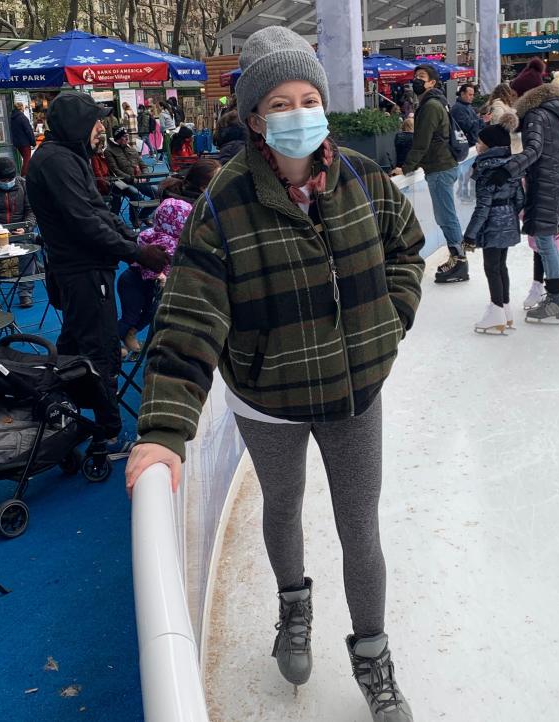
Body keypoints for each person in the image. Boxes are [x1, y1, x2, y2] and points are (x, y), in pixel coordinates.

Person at [125, 26, 422, 721]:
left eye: (309, 97)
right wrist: (164, 431)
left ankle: (373, 654)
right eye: (280, 102)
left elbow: (407, 247)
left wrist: (389, 318)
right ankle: (294, 608)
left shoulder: (361, 177)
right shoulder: (222, 207)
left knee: (360, 527)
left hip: (354, 393)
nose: (298, 113)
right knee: (282, 508)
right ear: (256, 118)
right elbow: (190, 319)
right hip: (270, 398)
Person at [26, 92, 168, 452]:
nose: (101, 127)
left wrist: (132, 242)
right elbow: (84, 220)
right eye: (95, 120)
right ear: (77, 125)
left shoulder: (68, 156)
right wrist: (135, 251)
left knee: (74, 346)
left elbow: (96, 210)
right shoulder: (57, 161)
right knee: (99, 350)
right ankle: (106, 431)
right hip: (82, 271)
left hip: (83, 269)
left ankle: (64, 413)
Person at [488, 64, 559, 323]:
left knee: (545, 243)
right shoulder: (558, 113)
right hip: (558, 183)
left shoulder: (537, 115)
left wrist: (507, 170)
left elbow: (534, 149)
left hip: (545, 184)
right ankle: (556, 296)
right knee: (547, 243)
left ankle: (557, 299)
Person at [117, 160, 221, 356]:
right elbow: (154, 258)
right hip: (137, 281)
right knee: (131, 315)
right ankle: (112, 344)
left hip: (144, 281)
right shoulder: (173, 234)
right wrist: (162, 274)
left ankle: (130, 334)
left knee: (149, 313)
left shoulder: (175, 211)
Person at [392, 63, 465, 284]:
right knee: (445, 215)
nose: (416, 80)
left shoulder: (431, 106)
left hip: (440, 167)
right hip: (443, 165)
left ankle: (459, 261)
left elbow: (421, 142)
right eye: (415, 76)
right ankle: (458, 258)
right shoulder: (436, 103)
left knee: (446, 216)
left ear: (432, 82)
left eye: (421, 77)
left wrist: (405, 168)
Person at [463, 124, 524, 333]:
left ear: (489, 146)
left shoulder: (485, 168)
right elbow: (520, 199)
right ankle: (505, 309)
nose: (477, 145)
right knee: (501, 266)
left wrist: (469, 235)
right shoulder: (511, 165)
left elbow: (482, 208)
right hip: (509, 220)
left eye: (480, 142)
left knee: (491, 267)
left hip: (492, 224)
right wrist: (509, 215)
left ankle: (497, 311)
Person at [0, 157, 39, 308]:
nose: (6, 182)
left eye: (9, 179)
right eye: (2, 179)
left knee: (28, 249)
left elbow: (32, 210)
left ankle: (25, 294)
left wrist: (27, 226)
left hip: (20, 231)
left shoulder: (24, 184)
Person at [525, 198, 559, 309]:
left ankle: (556, 298)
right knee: (539, 254)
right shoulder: (530, 184)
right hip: (538, 229)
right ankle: (539, 288)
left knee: (550, 258)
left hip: (555, 233)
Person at [105, 125, 159, 227]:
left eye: (127, 136)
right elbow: (115, 171)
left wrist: (145, 176)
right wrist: (133, 179)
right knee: (136, 195)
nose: (127, 138)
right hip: (122, 182)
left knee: (157, 193)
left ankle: (142, 216)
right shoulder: (109, 151)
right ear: (118, 138)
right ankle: (134, 220)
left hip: (139, 180)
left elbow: (143, 165)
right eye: (124, 136)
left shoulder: (131, 149)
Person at [11, 102, 37, 175]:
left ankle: (28, 174)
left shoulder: (13, 118)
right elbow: (29, 131)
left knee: (26, 159)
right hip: (24, 142)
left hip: (18, 143)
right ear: (21, 108)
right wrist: (33, 142)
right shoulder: (22, 117)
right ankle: (24, 176)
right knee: (27, 160)